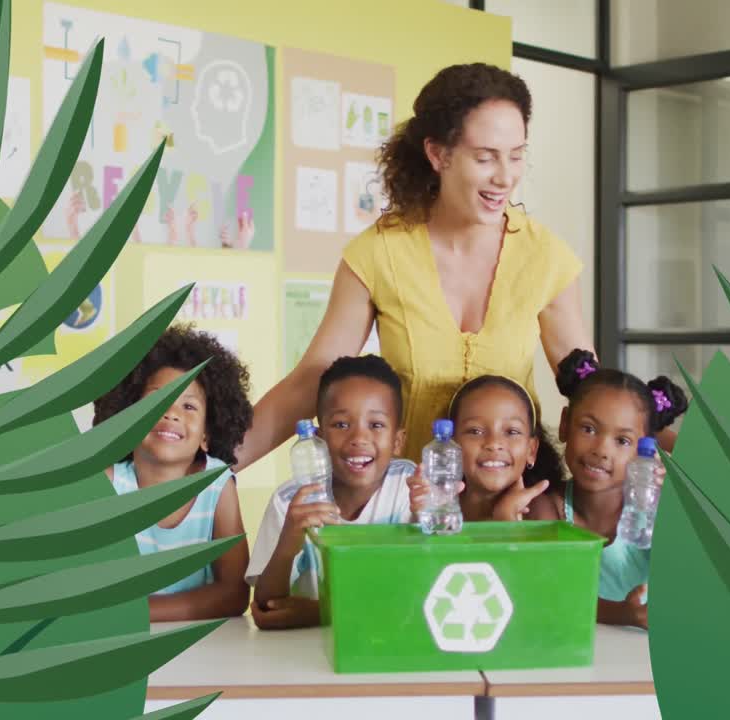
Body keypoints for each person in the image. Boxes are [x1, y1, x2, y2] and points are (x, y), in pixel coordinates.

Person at [236, 63, 594, 469]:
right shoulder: (379, 252)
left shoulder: (547, 258)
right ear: (438, 154)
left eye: (516, 156)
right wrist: (208, 471)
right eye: (485, 158)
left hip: (510, 507)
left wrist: (667, 435)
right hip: (405, 507)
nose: (505, 177)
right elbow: (311, 380)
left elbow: (592, 395)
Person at [92, 325, 252, 621]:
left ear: (207, 434)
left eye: (189, 405)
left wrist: (140, 611)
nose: (171, 412)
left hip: (204, 651)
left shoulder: (217, 487)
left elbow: (235, 594)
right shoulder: (107, 484)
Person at [247, 355, 416, 630]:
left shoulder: (409, 488)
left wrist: (321, 613)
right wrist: (290, 538)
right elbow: (267, 606)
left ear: (397, 441)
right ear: (319, 436)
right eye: (340, 425)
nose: (358, 438)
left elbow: (414, 596)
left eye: (376, 425)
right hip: (302, 657)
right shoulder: (290, 501)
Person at [529, 349, 687, 629]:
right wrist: (622, 615)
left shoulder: (656, 512)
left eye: (622, 441)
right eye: (588, 429)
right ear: (565, 425)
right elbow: (552, 594)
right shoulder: (545, 509)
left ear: (644, 451)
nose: (602, 450)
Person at [408, 374, 554, 523]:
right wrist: (420, 515)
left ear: (531, 450)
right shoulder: (440, 505)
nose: (494, 443)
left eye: (512, 432)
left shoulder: (540, 511)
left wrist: (505, 514)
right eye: (475, 431)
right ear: (451, 445)